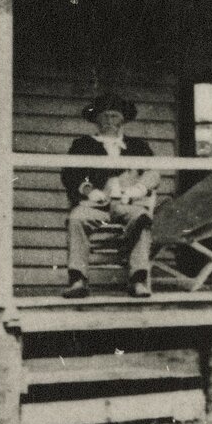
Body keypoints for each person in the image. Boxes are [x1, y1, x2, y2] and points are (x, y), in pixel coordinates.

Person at [61, 92, 161, 299]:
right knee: (76, 218)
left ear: (123, 119)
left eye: (114, 116)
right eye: (104, 116)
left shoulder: (138, 146)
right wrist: (90, 191)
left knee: (141, 218)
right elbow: (71, 175)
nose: (109, 121)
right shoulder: (83, 145)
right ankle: (78, 279)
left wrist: (139, 189)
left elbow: (153, 173)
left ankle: (138, 280)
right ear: (96, 120)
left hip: (127, 203)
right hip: (96, 205)